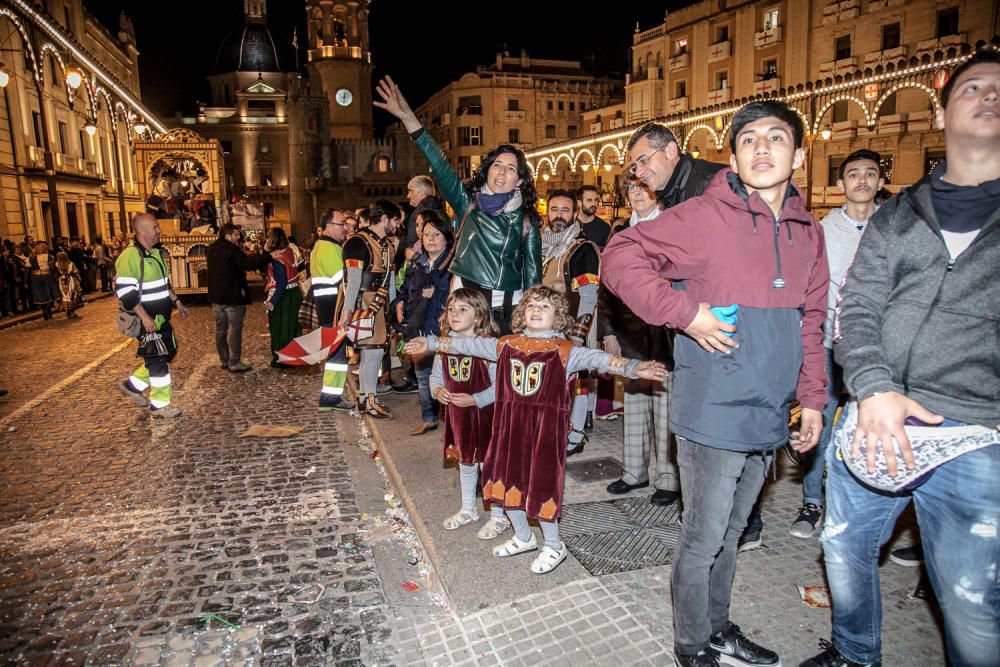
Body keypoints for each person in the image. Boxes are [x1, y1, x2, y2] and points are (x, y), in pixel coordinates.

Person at [603, 100, 829, 667]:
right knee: (703, 539)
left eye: (776, 138)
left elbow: (813, 322)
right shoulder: (707, 214)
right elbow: (620, 257)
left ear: (798, 154)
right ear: (732, 155)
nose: (761, 149)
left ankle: (719, 628)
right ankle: (691, 646)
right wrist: (685, 313)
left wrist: (812, 401)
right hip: (712, 407)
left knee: (732, 535)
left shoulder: (810, 232)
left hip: (768, 412)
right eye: (748, 139)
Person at [803, 49, 1000, 667]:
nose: (989, 95)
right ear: (942, 112)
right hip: (876, 411)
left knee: (970, 601)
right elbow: (857, 306)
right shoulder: (900, 214)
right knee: (844, 548)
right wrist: (873, 385)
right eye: (973, 87)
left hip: (976, 429)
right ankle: (854, 653)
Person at [404, 286, 668, 574]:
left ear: (558, 317)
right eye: (531, 306)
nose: (537, 310)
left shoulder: (566, 350)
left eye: (545, 307)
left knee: (541, 487)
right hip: (508, 428)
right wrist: (429, 343)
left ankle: (554, 546)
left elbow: (600, 359)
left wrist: (633, 367)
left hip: (544, 433)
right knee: (506, 482)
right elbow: (465, 345)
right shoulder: (505, 345)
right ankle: (524, 537)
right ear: (522, 314)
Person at [374, 76, 541, 334]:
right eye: (497, 164)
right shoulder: (468, 204)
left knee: (498, 373)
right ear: (487, 171)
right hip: (464, 305)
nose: (501, 172)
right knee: (462, 371)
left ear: (519, 180)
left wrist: (534, 325)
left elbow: (533, 279)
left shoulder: (527, 221)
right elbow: (440, 165)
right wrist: (408, 118)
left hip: (505, 307)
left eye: (510, 168)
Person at [600, 174, 681, 507]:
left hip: (666, 335)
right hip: (629, 333)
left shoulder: (672, 228)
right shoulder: (619, 234)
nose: (637, 194)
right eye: (632, 189)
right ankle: (634, 472)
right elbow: (606, 287)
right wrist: (607, 332)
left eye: (643, 188)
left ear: (657, 194)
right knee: (633, 409)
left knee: (665, 410)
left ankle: (668, 478)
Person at [428, 288, 509, 538]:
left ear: (478, 316)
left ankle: (498, 516)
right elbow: (435, 376)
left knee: (489, 464)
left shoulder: (487, 347)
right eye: (451, 309)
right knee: (465, 461)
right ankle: (468, 509)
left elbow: (501, 387)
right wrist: (438, 390)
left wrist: (475, 399)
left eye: (463, 309)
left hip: (486, 417)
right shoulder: (444, 345)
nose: (455, 314)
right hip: (459, 418)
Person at [539, 190, 601, 455]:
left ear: (575, 213)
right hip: (542, 328)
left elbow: (589, 296)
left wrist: (577, 334)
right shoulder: (541, 244)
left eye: (565, 210)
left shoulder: (582, 249)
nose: (559, 216)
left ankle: (575, 435)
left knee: (576, 380)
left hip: (570, 327)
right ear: (547, 212)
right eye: (555, 209)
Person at [116, 213, 190, 418]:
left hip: (160, 319)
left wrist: (176, 301)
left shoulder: (155, 253)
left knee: (168, 352)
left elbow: (163, 284)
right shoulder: (130, 256)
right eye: (155, 227)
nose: (159, 231)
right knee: (158, 361)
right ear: (141, 231)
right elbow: (125, 292)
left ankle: (132, 385)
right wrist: (145, 317)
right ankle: (160, 405)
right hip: (146, 321)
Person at [395, 210, 454, 434]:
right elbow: (404, 289)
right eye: (426, 234)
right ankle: (428, 417)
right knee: (422, 376)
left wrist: (435, 296)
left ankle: (452, 422)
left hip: (442, 328)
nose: (430, 239)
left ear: (446, 238)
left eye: (436, 235)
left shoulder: (452, 265)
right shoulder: (416, 263)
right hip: (418, 326)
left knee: (447, 377)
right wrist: (399, 303)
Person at [340, 199, 400, 417]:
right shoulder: (357, 242)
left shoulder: (388, 245)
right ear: (384, 218)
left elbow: (389, 278)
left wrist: (392, 307)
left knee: (373, 354)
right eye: (395, 221)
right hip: (363, 304)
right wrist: (347, 311)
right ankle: (368, 400)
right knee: (370, 354)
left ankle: (367, 399)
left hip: (380, 306)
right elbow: (353, 280)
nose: (396, 226)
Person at [206, 224, 267, 373]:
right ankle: (234, 361)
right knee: (234, 329)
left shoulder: (211, 248)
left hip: (217, 297)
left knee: (220, 329)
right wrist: (265, 256)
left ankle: (224, 359)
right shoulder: (232, 249)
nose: (239, 237)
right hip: (232, 296)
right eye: (236, 235)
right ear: (227, 235)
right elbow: (246, 264)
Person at [627, 121, 726, 207]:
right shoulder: (669, 195)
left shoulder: (712, 184)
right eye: (635, 167)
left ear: (670, 151)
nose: (638, 173)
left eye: (643, 161)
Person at [311, 208, 351, 411]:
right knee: (336, 357)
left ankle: (331, 397)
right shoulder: (328, 248)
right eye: (341, 223)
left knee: (337, 355)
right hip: (333, 309)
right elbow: (343, 280)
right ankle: (329, 398)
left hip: (329, 308)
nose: (344, 227)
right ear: (328, 226)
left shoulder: (326, 246)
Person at [263, 227, 302, 368]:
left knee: (280, 328)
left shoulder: (277, 259)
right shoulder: (289, 251)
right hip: (295, 292)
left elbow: (281, 283)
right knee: (293, 327)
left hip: (283, 296)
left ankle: (282, 358)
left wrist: (272, 302)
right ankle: (295, 356)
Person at [28, 241, 59, 320]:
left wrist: (26, 281)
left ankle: (44, 310)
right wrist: (56, 272)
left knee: (41, 295)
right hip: (47, 276)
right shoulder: (48, 256)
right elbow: (52, 267)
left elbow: (27, 269)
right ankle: (48, 310)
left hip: (35, 278)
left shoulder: (31, 257)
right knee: (50, 294)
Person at [54, 251, 83, 318]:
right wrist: (78, 280)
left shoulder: (56, 264)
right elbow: (76, 271)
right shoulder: (71, 263)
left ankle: (67, 311)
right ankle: (72, 311)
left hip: (61, 281)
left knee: (64, 296)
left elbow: (55, 274)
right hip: (71, 280)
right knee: (71, 295)